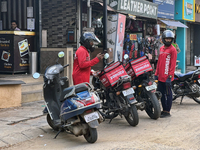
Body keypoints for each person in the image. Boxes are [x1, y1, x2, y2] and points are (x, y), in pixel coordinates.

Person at [154, 30, 177, 118]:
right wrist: (156, 73)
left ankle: (167, 111)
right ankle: (164, 110)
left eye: (169, 39)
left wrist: (170, 76)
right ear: (163, 39)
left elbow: (173, 64)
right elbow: (159, 62)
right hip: (160, 77)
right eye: (166, 39)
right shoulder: (161, 48)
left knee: (168, 94)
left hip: (167, 77)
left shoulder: (173, 50)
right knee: (161, 94)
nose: (168, 40)